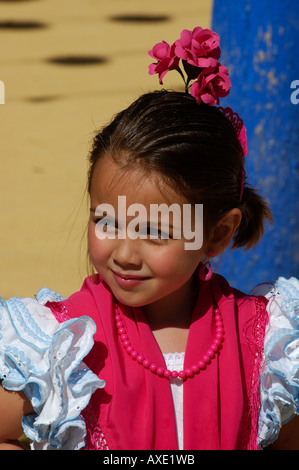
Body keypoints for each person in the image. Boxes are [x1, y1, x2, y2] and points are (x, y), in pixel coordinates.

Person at [0, 26, 298, 451]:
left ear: (218, 233)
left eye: (155, 231)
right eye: (107, 221)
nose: (123, 253)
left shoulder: (266, 344)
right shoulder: (62, 348)